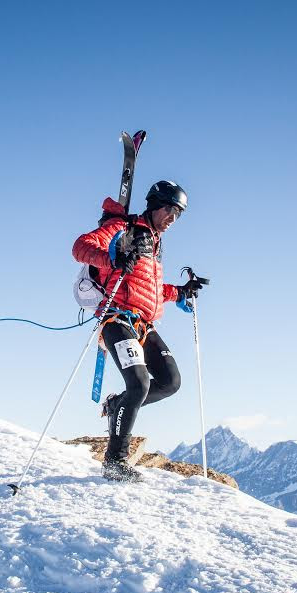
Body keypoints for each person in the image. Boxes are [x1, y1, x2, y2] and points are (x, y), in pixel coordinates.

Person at [72, 180, 207, 482]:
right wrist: (112, 257)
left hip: (144, 325)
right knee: (139, 383)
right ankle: (114, 461)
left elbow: (152, 289)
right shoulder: (123, 227)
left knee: (171, 382)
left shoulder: (155, 243)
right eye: (170, 210)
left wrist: (181, 292)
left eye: (179, 214)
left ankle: (117, 405)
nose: (173, 218)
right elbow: (80, 247)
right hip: (117, 319)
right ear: (155, 204)